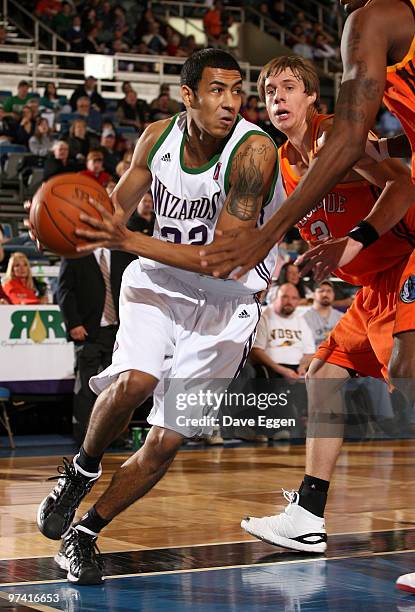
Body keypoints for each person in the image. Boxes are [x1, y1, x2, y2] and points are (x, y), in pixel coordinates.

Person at [33, 49, 285, 585]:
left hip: (227, 297)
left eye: (238, 91)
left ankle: (85, 535)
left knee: (166, 439)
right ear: (188, 96)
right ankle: (80, 471)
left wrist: (126, 238)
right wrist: (69, 234)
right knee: (135, 380)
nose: (231, 102)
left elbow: (225, 255)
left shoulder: (254, 151)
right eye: (217, 90)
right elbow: (113, 211)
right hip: (159, 282)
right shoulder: (155, 137)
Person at [235, 54, 415, 559]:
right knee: (324, 373)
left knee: (407, 374)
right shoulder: (282, 159)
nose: (277, 98)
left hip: (406, 260)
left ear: (313, 97)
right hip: (373, 287)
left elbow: (403, 185)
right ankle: (308, 516)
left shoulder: (333, 134)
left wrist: (353, 242)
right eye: (269, 91)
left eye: (288, 87)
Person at [57, 249, 136, 444]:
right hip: (88, 331)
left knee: (117, 386)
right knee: (85, 385)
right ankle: (84, 435)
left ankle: (114, 435)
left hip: (119, 331)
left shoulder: (123, 253)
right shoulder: (74, 254)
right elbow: (64, 290)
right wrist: (73, 323)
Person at [302, 280, 343, 348]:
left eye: (329, 291)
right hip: (314, 357)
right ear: (314, 294)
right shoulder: (304, 318)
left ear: (333, 294)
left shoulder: (342, 317)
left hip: (336, 356)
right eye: (321, 291)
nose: (325, 294)